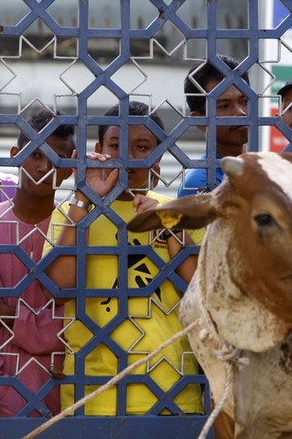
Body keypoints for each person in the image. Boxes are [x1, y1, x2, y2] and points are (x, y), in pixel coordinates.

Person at [44, 101, 202, 415]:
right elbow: (58, 287)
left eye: (142, 147)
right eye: (117, 145)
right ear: (100, 149)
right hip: (93, 393)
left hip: (173, 392)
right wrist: (83, 201)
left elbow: (199, 291)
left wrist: (168, 224)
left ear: (159, 155)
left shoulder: (183, 213)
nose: (129, 156)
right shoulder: (70, 212)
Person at [0, 110, 76, 417]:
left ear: (70, 167)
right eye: (35, 153)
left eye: (56, 158)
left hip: (67, 385)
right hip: (3, 389)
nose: (44, 167)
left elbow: (77, 320)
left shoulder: (76, 229)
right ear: (15, 155)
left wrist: (11, 316)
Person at [177, 55, 250, 197]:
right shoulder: (200, 182)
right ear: (200, 120)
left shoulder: (263, 166)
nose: (240, 112)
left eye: (245, 101)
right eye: (224, 106)